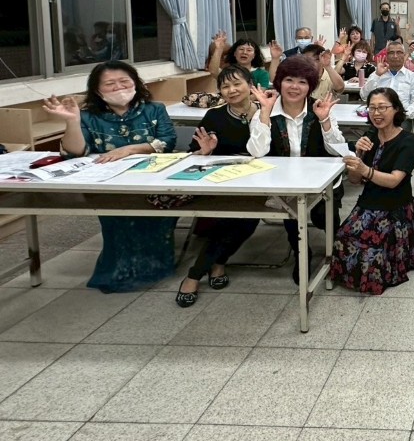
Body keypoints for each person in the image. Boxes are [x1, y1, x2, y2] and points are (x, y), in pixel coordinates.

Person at [42, 61, 177, 293]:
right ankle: (120, 271)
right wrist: (72, 121)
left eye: (124, 81)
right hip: (109, 183)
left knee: (155, 221)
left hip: (152, 181)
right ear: (97, 90)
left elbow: (167, 141)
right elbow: (76, 152)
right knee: (118, 224)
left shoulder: (154, 109)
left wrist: (129, 150)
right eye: (110, 84)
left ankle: (154, 267)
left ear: (136, 83)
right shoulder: (88, 116)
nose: (119, 88)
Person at [248, 56, 348, 284]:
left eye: (302, 82)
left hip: (321, 181)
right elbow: (256, 151)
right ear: (279, 82)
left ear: (310, 86)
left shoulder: (319, 108)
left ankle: (337, 249)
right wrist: (264, 114)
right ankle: (302, 254)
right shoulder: (266, 109)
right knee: (292, 213)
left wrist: (325, 121)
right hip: (284, 182)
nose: (294, 87)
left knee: (324, 217)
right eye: (289, 80)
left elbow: (337, 150)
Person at [175, 66, 262, 307]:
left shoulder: (267, 111)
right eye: (225, 86)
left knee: (245, 220)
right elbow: (193, 153)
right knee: (236, 219)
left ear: (250, 85)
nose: (232, 90)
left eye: (237, 84)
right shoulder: (214, 116)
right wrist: (205, 151)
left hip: (261, 179)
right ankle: (202, 270)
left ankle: (208, 267)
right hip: (225, 180)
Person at [331, 87, 414, 294]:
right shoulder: (369, 137)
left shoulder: (408, 140)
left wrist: (365, 169)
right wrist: (358, 155)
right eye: (372, 108)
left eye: (383, 107)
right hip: (369, 202)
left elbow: (394, 181)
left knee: (371, 249)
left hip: (394, 206)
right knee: (344, 236)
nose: (376, 113)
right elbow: (355, 180)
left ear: (396, 109)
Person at [360, 41, 414, 130]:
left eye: (399, 52)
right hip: (378, 116)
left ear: (404, 55)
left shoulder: (412, 77)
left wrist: (404, 114)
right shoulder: (377, 74)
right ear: (386, 56)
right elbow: (364, 96)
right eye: (391, 53)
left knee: (399, 135)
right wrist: (377, 75)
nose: (395, 56)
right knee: (370, 136)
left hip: (401, 118)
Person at [212, 37, 278, 89]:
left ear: (254, 55)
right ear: (234, 53)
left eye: (249, 50)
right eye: (241, 49)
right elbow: (214, 71)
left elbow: (261, 91)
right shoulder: (228, 72)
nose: (244, 52)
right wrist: (218, 49)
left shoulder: (262, 73)